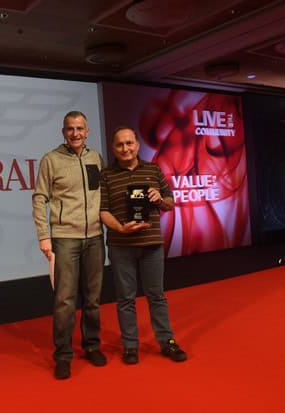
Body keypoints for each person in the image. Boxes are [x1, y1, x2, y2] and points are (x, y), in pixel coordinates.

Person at [100, 126, 187, 365]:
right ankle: (130, 346)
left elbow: (170, 202)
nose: (125, 148)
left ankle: (167, 341)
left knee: (156, 296)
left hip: (151, 245)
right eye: (120, 144)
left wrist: (160, 198)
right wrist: (120, 228)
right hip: (120, 245)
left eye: (129, 143)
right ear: (113, 148)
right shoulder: (106, 175)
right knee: (125, 298)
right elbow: (103, 210)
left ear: (137, 145)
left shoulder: (153, 169)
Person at [32, 110, 107, 379]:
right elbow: (39, 198)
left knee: (93, 298)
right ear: (63, 132)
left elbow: (103, 194)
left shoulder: (95, 158)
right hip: (65, 238)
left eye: (80, 128)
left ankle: (92, 345)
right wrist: (44, 235)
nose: (75, 133)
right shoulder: (51, 160)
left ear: (87, 132)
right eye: (70, 129)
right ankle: (63, 355)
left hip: (95, 237)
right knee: (65, 300)